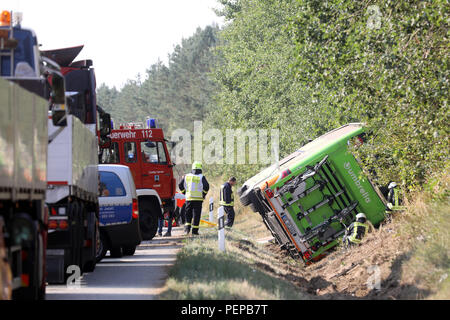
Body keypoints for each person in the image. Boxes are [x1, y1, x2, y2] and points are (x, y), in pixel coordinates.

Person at [178, 162, 209, 235]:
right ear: (200, 168)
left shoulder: (187, 176)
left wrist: (184, 192)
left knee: (188, 214)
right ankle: (195, 231)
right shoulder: (201, 177)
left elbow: (180, 185)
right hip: (198, 199)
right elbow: (206, 186)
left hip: (188, 198)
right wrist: (203, 194)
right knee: (196, 215)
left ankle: (187, 230)